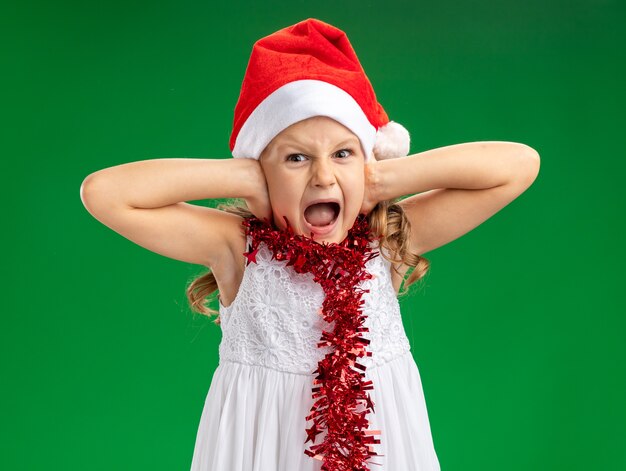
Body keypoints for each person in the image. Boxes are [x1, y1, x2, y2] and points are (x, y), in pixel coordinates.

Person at [80, 17, 540, 471]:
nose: (323, 176)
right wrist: (242, 175)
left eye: (343, 153)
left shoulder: (387, 241)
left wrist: (381, 178)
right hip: (261, 450)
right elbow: (104, 193)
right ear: (263, 173)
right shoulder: (236, 247)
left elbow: (519, 165)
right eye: (296, 158)